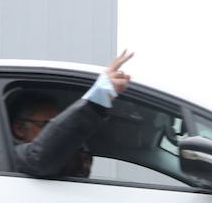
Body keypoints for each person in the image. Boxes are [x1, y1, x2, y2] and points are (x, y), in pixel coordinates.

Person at [8, 50, 133, 178]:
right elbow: (39, 158)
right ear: (19, 128)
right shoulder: (11, 158)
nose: (54, 130)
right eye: (46, 124)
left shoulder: (68, 158)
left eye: (55, 123)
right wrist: (97, 100)